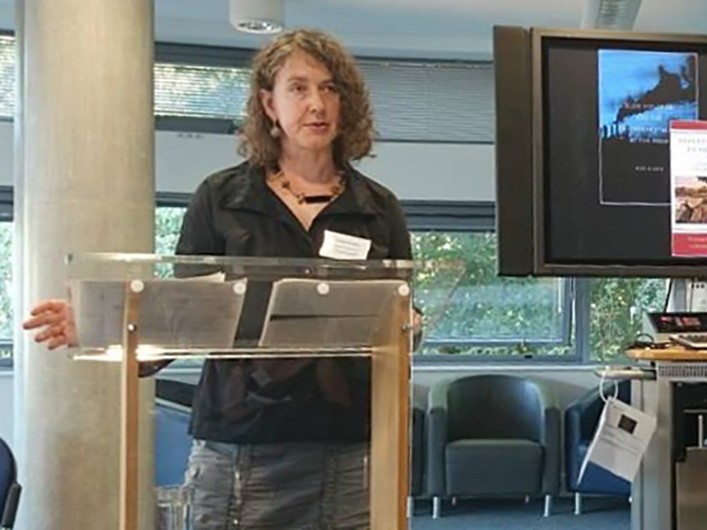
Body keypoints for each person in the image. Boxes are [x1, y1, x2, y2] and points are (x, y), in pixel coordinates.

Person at [23, 28, 416, 529]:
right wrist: (107, 325)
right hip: (241, 448)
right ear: (268, 105)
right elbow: (184, 315)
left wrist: (411, 324)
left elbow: (401, 319)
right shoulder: (221, 198)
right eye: (298, 88)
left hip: (351, 447)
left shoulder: (378, 208)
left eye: (330, 88)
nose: (316, 103)